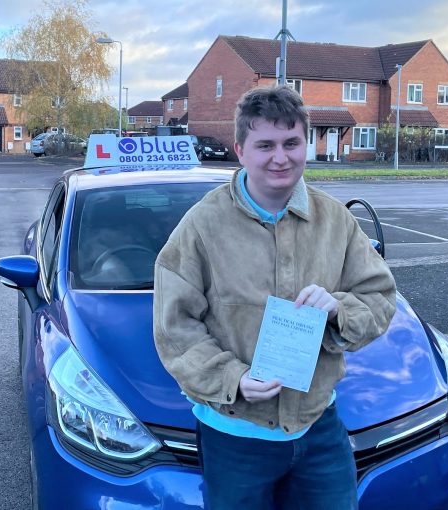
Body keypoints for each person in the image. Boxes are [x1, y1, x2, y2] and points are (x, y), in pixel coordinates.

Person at [153, 85, 396, 509]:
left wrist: (340, 310)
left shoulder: (335, 220)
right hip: (235, 435)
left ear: (307, 144)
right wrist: (232, 378)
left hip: (318, 426)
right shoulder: (202, 226)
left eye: (291, 143)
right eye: (265, 145)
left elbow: (379, 296)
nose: (280, 157)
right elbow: (175, 328)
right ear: (240, 150)